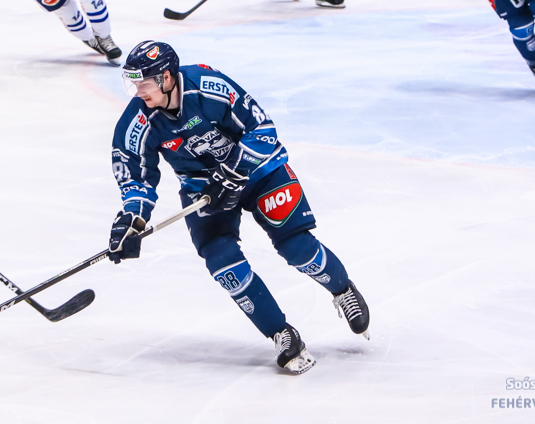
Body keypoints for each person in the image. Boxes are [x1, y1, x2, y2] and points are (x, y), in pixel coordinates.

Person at [107, 41, 369, 374]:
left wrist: (235, 167)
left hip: (260, 172)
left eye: (144, 82)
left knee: (297, 248)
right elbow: (134, 174)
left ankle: (342, 289)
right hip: (203, 188)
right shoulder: (137, 121)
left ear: (168, 77)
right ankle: (281, 333)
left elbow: (263, 129)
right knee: (222, 261)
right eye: (133, 82)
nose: (137, 90)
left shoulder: (209, 87)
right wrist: (133, 218)